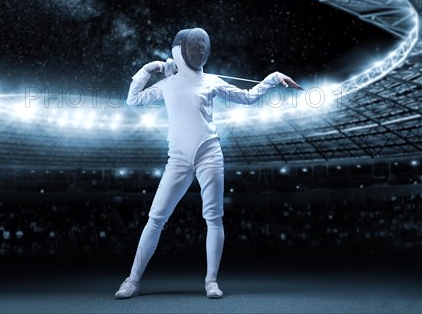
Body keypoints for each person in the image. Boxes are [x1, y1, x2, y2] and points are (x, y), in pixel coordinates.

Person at [114, 28, 302, 299]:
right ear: (181, 51)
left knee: (214, 219)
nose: (199, 51)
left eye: (201, 47)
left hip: (209, 154)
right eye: (194, 47)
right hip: (177, 158)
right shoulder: (167, 83)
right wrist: (150, 68)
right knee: (155, 218)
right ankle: (132, 281)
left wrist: (273, 78)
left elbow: (248, 97)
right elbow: (133, 100)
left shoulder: (211, 81)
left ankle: (211, 281)